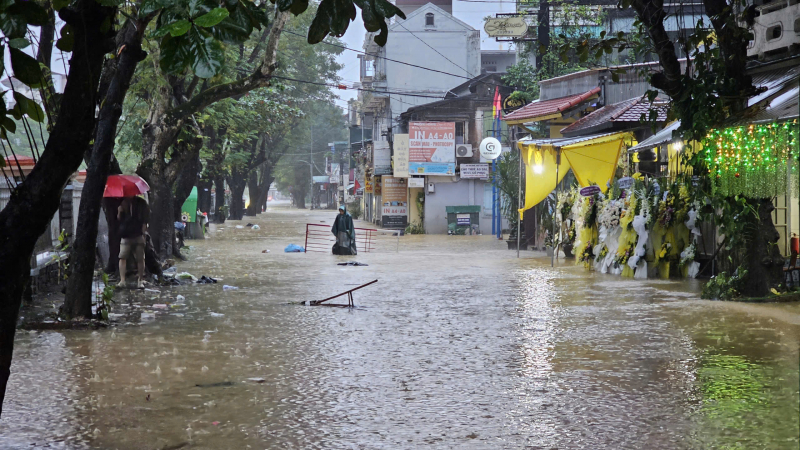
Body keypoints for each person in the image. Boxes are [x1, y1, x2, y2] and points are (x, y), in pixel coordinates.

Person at [117, 195, 149, 288]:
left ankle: (140, 280)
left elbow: (145, 220)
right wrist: (119, 212)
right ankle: (122, 280)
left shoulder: (141, 203)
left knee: (140, 259)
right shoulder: (123, 203)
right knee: (122, 257)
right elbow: (119, 219)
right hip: (126, 235)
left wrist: (143, 234)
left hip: (138, 235)